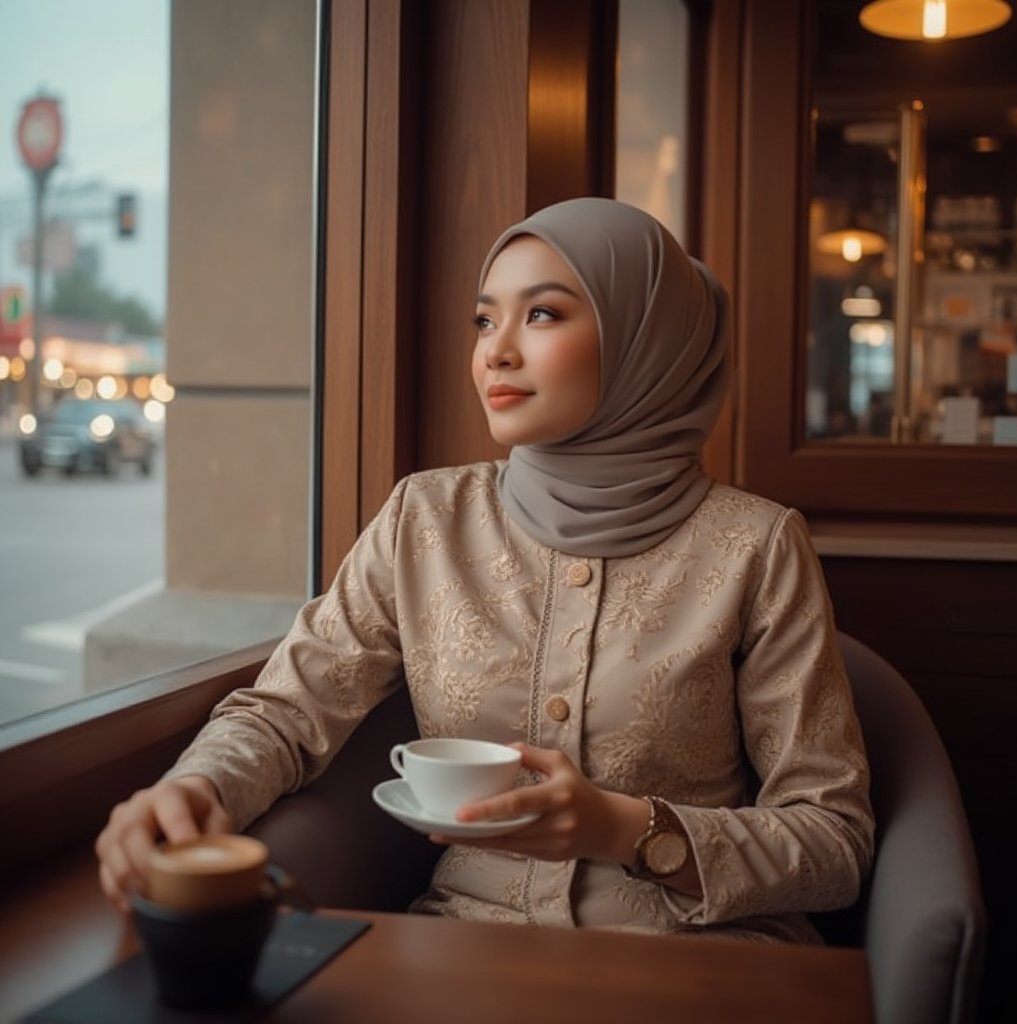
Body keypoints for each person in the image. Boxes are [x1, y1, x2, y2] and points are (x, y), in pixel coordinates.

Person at [96, 197, 873, 943]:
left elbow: (836, 842)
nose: (496, 350)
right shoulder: (424, 519)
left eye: (542, 313)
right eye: (483, 319)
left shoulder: (757, 546)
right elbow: (285, 712)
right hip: (468, 954)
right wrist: (193, 790)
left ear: (647, 338)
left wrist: (627, 830)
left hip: (696, 961)